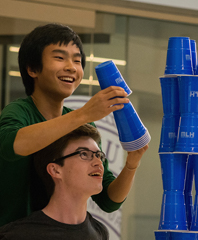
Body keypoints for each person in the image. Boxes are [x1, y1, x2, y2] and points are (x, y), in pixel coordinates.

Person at [0, 23, 149, 226]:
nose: (71, 67)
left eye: (77, 60)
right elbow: (12, 145)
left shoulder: (83, 123)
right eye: (60, 57)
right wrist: (84, 114)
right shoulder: (19, 111)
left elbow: (108, 199)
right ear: (32, 69)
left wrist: (132, 162)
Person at [0, 124, 109, 239]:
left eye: (98, 155)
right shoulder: (16, 236)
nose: (98, 163)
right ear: (55, 170)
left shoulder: (99, 232)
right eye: (83, 154)